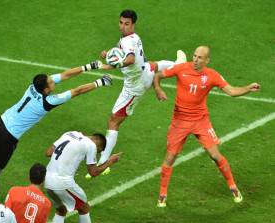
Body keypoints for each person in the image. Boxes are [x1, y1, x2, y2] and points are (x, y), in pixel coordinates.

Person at [0, 60, 112, 202]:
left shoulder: (34, 86)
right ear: (46, 89)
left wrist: (89, 66)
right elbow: (77, 91)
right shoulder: (48, 102)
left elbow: (65, 75)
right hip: (7, 137)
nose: (52, 81)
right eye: (50, 82)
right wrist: (99, 82)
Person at [154, 46, 261, 207]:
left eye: (199, 58)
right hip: (180, 121)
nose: (195, 60)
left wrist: (247, 88)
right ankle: (162, 194)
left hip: (200, 121)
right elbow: (157, 75)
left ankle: (233, 187)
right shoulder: (181, 68)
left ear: (207, 60)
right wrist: (158, 89)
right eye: (195, 56)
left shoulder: (212, 75)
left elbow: (231, 91)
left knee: (215, 155)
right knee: (170, 158)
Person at [87, 9, 186, 177]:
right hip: (144, 72)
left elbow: (130, 59)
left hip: (134, 87)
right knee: (152, 65)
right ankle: (178, 65)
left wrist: (114, 61)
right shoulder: (134, 38)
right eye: (121, 23)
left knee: (113, 122)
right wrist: (108, 56)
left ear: (133, 24)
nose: (123, 27)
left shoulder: (127, 42)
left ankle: (103, 161)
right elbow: (127, 59)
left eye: (127, 24)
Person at [44, 131, 122, 223]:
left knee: (61, 210)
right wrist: (110, 161)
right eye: (98, 151)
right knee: (84, 208)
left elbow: (48, 152)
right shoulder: (91, 145)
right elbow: (93, 172)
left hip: (47, 180)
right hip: (62, 183)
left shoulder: (69, 133)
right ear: (99, 145)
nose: (96, 153)